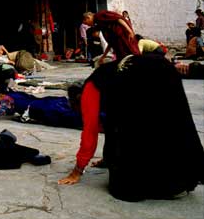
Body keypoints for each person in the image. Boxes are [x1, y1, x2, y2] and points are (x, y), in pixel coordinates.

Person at [58, 55, 204, 202]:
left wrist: (77, 170)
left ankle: (166, 186)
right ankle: (184, 178)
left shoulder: (90, 89)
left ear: (77, 98)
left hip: (150, 75)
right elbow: (110, 124)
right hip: (163, 68)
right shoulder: (107, 77)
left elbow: (90, 131)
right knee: (170, 125)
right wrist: (107, 159)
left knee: (130, 160)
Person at [0, 85, 83, 129]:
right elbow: (10, 110)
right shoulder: (17, 94)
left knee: (69, 117)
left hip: (40, 108)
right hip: (45, 102)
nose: (0, 102)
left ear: (1, 95)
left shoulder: (7, 98)